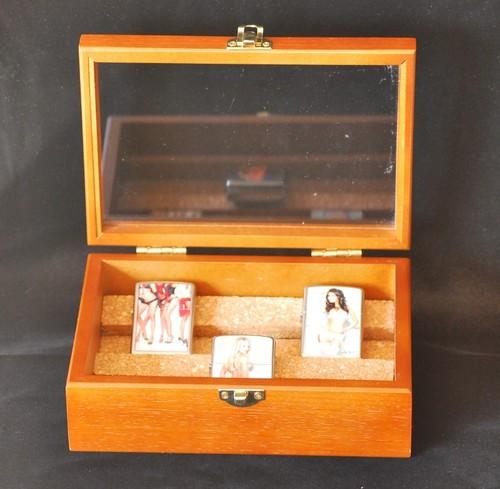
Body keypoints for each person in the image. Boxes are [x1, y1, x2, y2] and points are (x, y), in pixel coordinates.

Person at [318, 288, 359, 355]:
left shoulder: (347, 308)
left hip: (338, 334)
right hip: (326, 333)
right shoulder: (329, 307)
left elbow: (356, 321)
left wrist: (346, 329)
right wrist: (326, 292)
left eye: (332, 295)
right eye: (328, 295)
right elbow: (320, 300)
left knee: (333, 353)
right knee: (323, 354)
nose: (329, 297)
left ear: (338, 296)